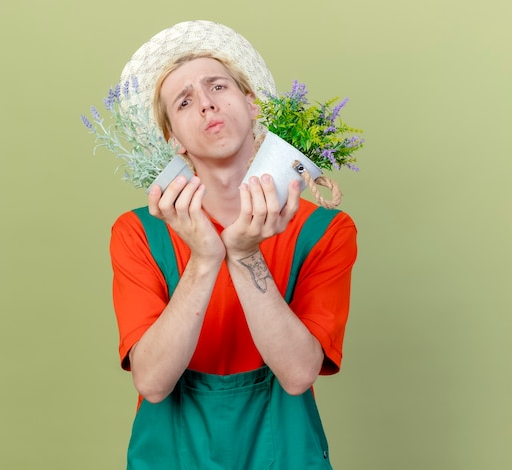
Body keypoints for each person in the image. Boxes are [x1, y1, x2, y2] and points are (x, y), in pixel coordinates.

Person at [109, 20, 357, 469]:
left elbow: (299, 374)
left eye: (217, 86)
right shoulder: (137, 233)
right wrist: (205, 259)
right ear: (173, 141)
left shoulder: (325, 231)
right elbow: (152, 381)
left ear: (252, 103)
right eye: (184, 101)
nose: (206, 104)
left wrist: (243, 255)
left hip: (285, 452)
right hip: (170, 454)